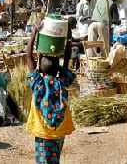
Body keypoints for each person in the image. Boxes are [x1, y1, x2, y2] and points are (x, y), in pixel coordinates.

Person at [26, 17, 75, 163]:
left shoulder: (38, 83)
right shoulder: (63, 82)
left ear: (39, 68)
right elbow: (67, 58)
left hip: (42, 132)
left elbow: (28, 56)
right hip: (58, 132)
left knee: (43, 160)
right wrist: (68, 36)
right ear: (59, 68)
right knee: (55, 159)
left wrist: (34, 32)